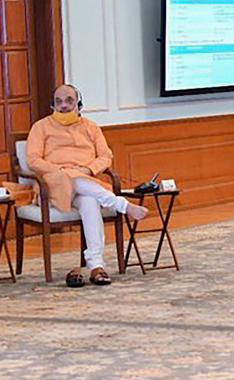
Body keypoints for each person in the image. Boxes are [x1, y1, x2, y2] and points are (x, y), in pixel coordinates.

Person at [26, 84, 148, 286]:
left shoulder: (91, 127)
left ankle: (96, 265)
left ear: (78, 104)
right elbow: (33, 160)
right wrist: (60, 172)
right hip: (54, 184)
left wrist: (89, 170)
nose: (63, 105)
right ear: (52, 105)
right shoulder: (41, 127)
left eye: (69, 101)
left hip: (85, 181)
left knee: (90, 202)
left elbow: (106, 156)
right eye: (59, 102)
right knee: (74, 180)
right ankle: (123, 205)